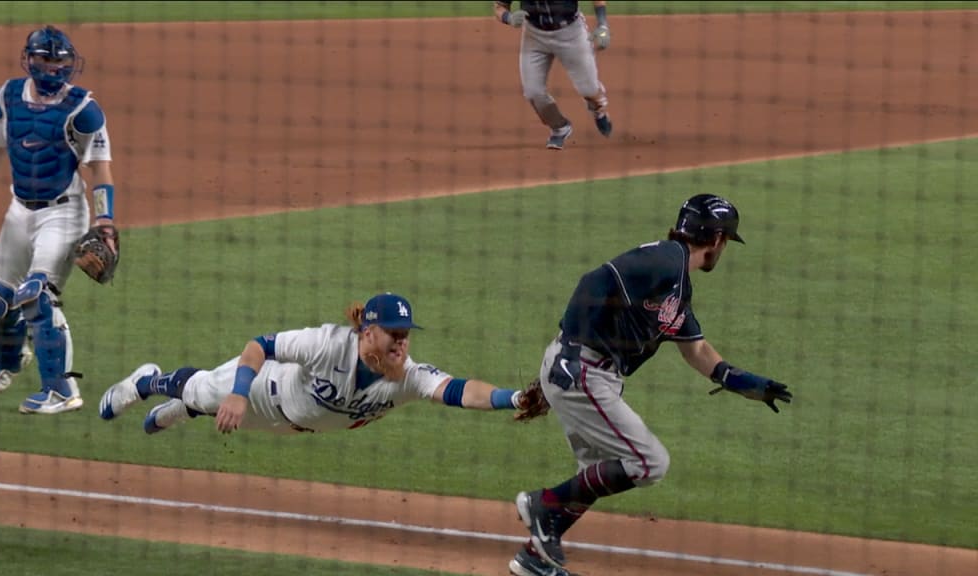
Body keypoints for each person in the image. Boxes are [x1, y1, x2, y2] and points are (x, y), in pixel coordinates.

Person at [508, 194, 793, 576]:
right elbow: (595, 280)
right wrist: (571, 349)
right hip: (581, 368)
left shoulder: (676, 285)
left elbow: (698, 350)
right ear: (719, 240)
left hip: (590, 372)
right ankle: (544, 504)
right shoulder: (666, 259)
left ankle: (534, 558)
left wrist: (747, 383)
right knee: (649, 462)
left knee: (599, 470)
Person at [98, 293, 532, 435]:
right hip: (259, 390)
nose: (402, 343)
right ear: (368, 333)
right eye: (394, 334)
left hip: (290, 424)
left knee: (216, 411)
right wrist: (237, 392)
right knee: (201, 391)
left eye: (406, 335)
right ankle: (146, 382)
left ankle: (188, 408)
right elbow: (258, 346)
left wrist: (511, 396)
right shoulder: (326, 344)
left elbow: (460, 391)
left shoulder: (408, 377)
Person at [0, 25, 118, 414]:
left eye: (59, 60)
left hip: (63, 211)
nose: (51, 67)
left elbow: (100, 169)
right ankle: (7, 365)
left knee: (36, 296)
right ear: (29, 59)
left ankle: (62, 392)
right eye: (44, 59)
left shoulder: (83, 110)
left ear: (70, 64)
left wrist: (106, 222)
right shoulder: (8, 97)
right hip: (19, 209)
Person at [494, 1, 613, 150]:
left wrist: (602, 25)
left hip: (571, 34)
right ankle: (560, 127)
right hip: (534, 36)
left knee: (589, 90)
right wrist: (508, 18)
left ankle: (598, 110)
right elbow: (499, 7)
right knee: (533, 92)